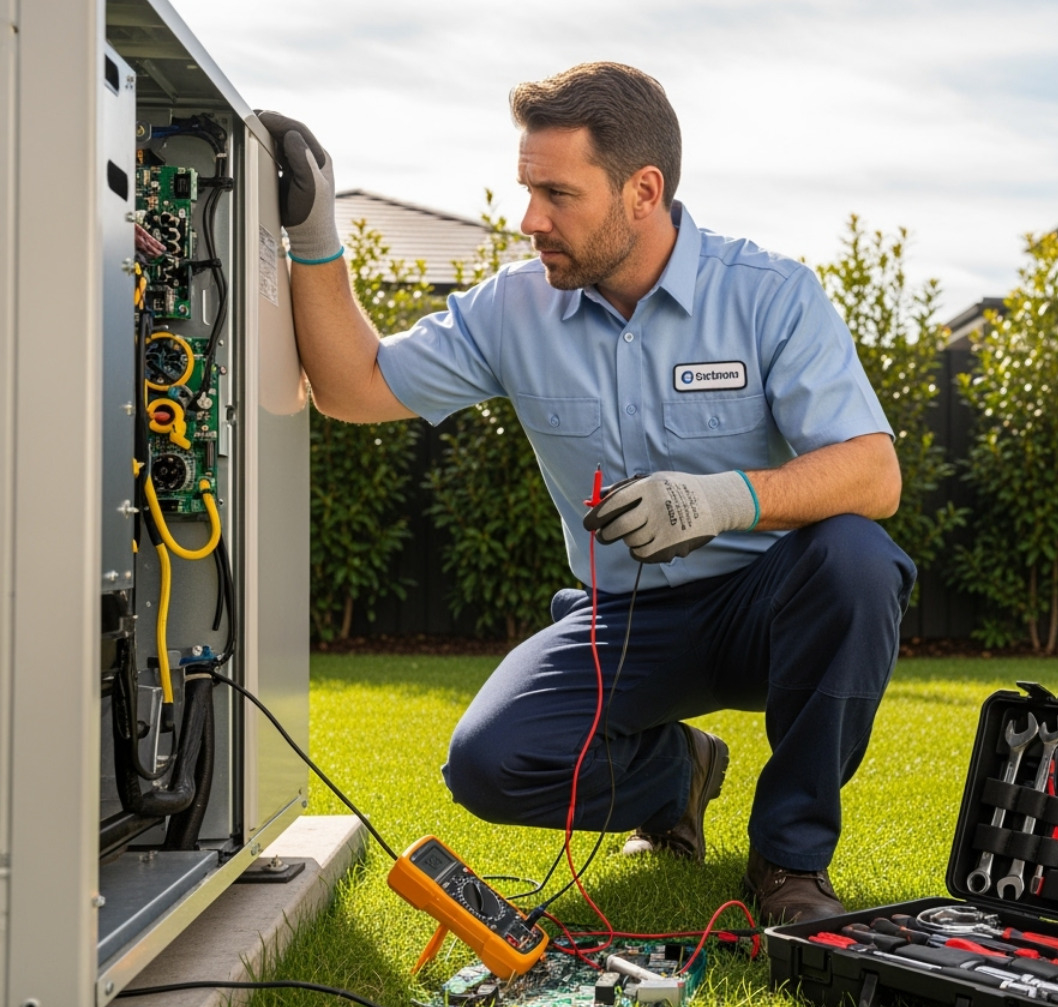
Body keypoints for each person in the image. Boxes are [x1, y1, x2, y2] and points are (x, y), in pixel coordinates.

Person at [259, 61, 915, 924]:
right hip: (623, 618)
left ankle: (789, 863)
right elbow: (354, 388)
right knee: (490, 763)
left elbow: (875, 472)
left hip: (768, 607)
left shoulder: (769, 296)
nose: (531, 220)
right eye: (528, 190)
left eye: (558, 195)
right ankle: (679, 776)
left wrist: (723, 501)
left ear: (643, 191)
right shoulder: (513, 311)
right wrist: (314, 236)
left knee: (859, 561)